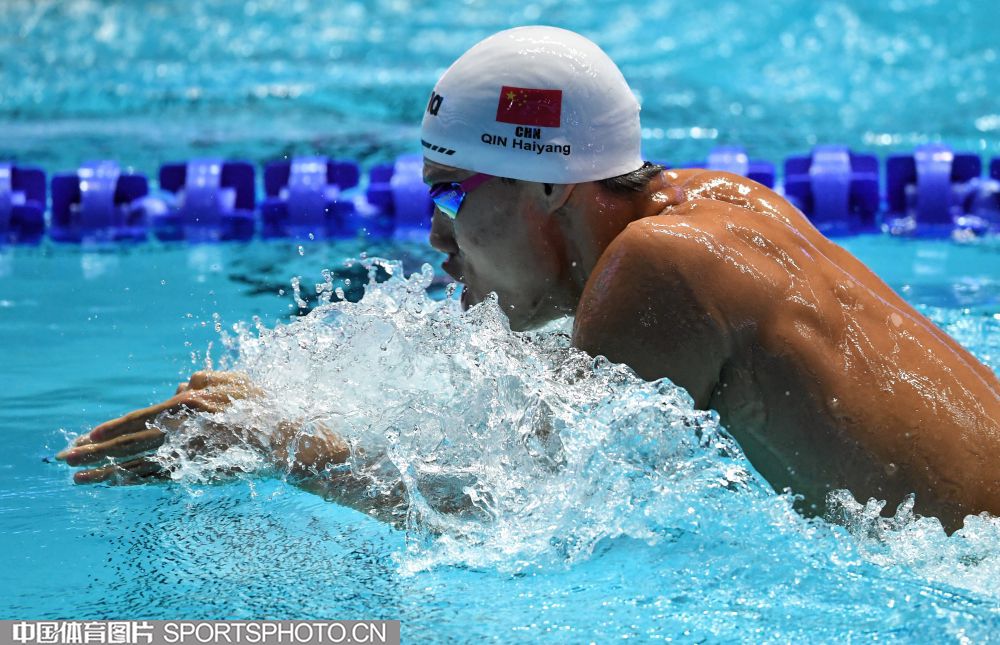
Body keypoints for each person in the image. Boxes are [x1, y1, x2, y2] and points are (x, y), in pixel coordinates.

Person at [58, 26, 999, 531]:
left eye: (451, 191)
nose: (436, 234)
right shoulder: (717, 203)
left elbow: (510, 520)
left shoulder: (657, 267)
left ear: (551, 182)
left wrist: (286, 443)